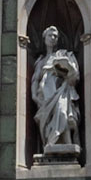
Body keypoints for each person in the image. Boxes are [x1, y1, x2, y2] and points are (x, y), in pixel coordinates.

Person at [31, 23, 82, 158]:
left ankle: (68, 143)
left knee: (63, 113)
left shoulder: (63, 55)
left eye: (55, 36)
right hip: (45, 97)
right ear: (44, 38)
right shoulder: (41, 61)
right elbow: (35, 80)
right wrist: (34, 96)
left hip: (61, 92)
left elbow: (74, 76)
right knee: (49, 120)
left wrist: (68, 69)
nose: (53, 38)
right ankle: (51, 143)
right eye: (50, 35)